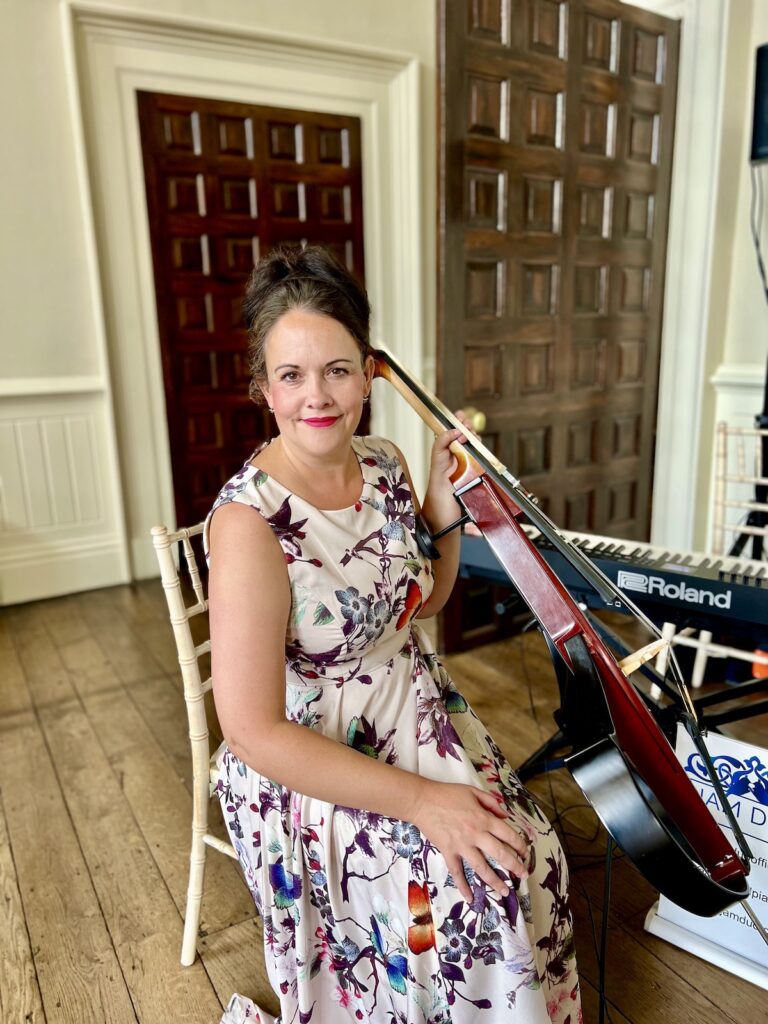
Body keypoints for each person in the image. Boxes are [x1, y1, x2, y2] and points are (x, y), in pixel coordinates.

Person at [205, 244, 581, 1024]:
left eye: (338, 370)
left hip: (411, 705)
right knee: (464, 892)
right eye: (292, 375)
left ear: (371, 369)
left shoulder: (384, 464)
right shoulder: (248, 525)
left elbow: (421, 602)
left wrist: (443, 500)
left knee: (531, 848)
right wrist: (421, 803)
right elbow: (251, 732)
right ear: (261, 387)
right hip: (308, 754)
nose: (317, 397)